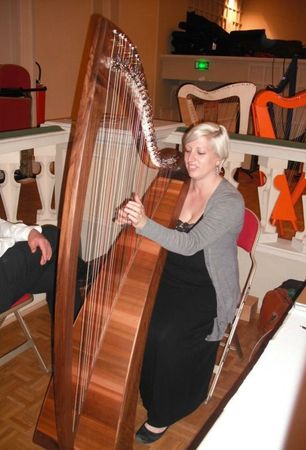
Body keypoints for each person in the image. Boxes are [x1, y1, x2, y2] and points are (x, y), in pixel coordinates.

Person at [117, 122, 245, 444]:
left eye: (200, 152)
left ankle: (166, 410)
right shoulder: (176, 183)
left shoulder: (230, 202)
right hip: (167, 274)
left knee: (164, 334)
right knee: (135, 318)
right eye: (188, 150)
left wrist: (144, 223)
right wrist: (132, 218)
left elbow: (189, 244)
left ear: (219, 158)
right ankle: (146, 388)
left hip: (205, 287)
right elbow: (159, 230)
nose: (190, 158)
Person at [0, 110, 83, 319]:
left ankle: (74, 343)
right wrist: (8, 244)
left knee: (58, 275)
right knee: (54, 236)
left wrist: (29, 233)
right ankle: (91, 272)